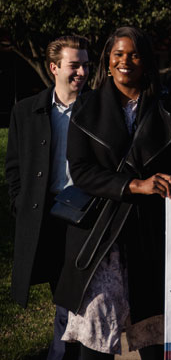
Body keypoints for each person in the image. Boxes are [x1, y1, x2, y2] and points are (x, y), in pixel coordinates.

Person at [53, 27, 171, 359]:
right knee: (95, 347)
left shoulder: (168, 108)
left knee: (153, 342)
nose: (126, 61)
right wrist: (132, 185)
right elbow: (80, 170)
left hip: (150, 237)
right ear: (108, 62)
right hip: (100, 240)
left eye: (134, 54)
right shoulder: (87, 106)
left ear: (147, 62)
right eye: (118, 54)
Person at [7, 35, 90, 360]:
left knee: (83, 297)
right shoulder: (26, 111)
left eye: (85, 64)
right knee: (61, 295)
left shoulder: (97, 107)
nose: (81, 72)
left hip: (87, 217)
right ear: (54, 67)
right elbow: (14, 167)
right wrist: (21, 205)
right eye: (74, 65)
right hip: (49, 216)